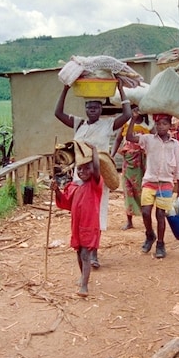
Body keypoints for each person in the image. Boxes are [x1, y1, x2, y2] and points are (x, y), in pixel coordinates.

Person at [54, 85, 131, 267]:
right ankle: (81, 247)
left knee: (96, 213)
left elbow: (127, 115)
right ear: (86, 109)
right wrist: (65, 89)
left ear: (101, 109)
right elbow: (58, 113)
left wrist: (120, 89)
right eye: (89, 107)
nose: (92, 110)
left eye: (96, 108)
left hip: (97, 176)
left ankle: (93, 252)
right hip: (79, 175)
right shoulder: (79, 123)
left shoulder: (107, 124)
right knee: (79, 212)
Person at [125, 113, 179, 259]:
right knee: (145, 211)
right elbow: (129, 137)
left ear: (170, 126)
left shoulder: (174, 144)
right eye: (158, 124)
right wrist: (133, 118)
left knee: (160, 215)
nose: (161, 127)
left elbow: (178, 166)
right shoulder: (148, 140)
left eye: (164, 124)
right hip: (150, 181)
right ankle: (150, 234)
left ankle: (161, 243)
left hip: (166, 183)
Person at [52, 142, 102, 297]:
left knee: (86, 254)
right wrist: (57, 191)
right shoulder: (74, 186)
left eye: (88, 168)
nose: (83, 171)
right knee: (79, 253)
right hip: (76, 226)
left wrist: (94, 151)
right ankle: (82, 276)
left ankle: (85, 286)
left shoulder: (95, 185)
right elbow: (65, 202)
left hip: (90, 226)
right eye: (80, 168)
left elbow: (97, 169)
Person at [111, 104, 150, 230]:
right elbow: (118, 140)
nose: (135, 111)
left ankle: (146, 218)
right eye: (132, 108)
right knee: (128, 190)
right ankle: (129, 220)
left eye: (137, 108)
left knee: (142, 191)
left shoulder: (148, 125)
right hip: (128, 162)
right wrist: (111, 156)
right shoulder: (126, 123)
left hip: (142, 163)